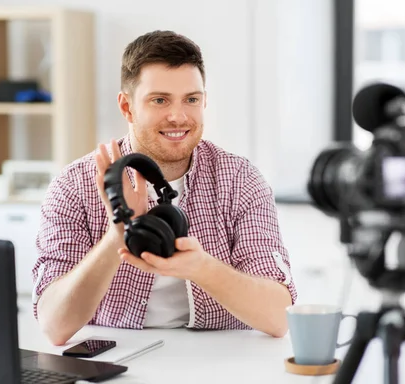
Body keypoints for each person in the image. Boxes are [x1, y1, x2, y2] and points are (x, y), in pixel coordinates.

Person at [32, 30, 298, 346]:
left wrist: (203, 268)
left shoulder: (240, 179)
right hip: (114, 356)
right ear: (127, 107)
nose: (178, 116)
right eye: (159, 100)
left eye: (191, 99)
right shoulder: (73, 185)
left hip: (221, 357)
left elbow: (280, 318)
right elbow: (53, 325)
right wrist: (117, 234)